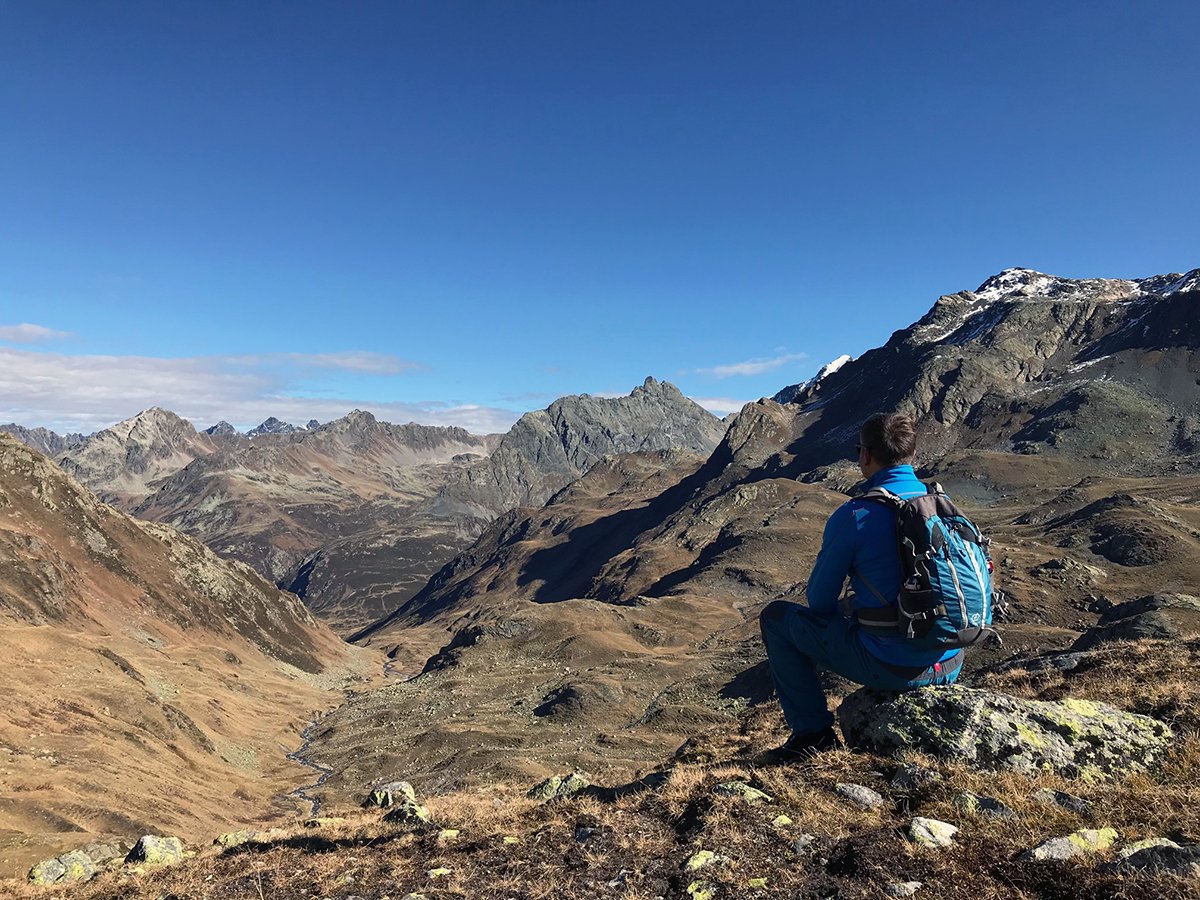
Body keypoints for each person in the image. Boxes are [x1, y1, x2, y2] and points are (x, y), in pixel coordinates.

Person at [758, 412, 964, 760]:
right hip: (952, 658)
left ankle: (812, 735)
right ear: (912, 455)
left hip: (892, 667)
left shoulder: (856, 515)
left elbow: (820, 602)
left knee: (776, 619)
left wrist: (856, 611)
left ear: (865, 455)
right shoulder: (944, 506)